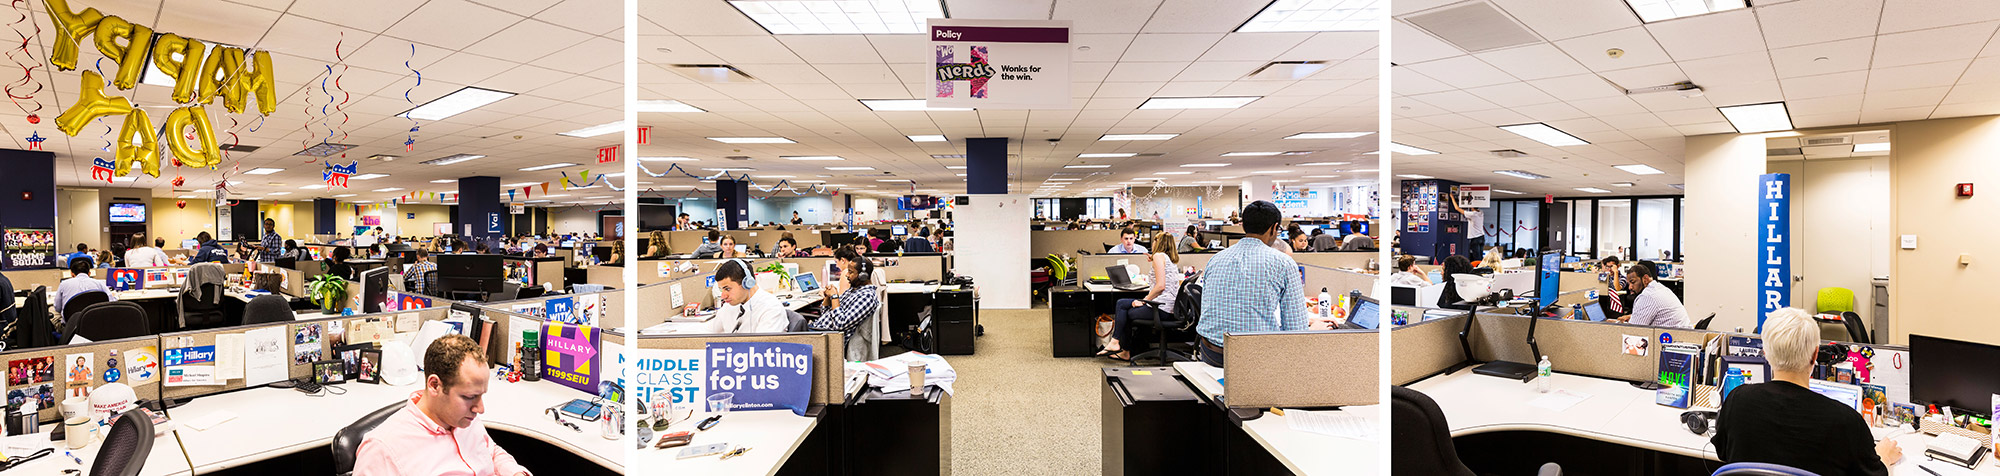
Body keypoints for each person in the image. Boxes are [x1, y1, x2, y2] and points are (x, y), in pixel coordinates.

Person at [1711, 307, 1899, 475]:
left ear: (1766, 354)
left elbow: (1724, 453)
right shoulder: (1845, 421)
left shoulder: (1738, 400)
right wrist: (1883, 457)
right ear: (1815, 354)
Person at [353, 334, 529, 476]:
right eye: (470, 396)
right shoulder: (382, 450)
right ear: (435, 385)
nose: (480, 409)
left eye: (481, 395)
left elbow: (490, 452)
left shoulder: (464, 417)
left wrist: (514, 473)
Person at [1193, 201, 1305, 367]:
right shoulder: (1284, 263)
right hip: (1253, 358)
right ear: (1274, 228)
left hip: (1211, 353)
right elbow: (1296, 330)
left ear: (1244, 225)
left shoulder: (1216, 258)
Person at [1098, 232, 1186, 362]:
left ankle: (1119, 345)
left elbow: (1160, 286)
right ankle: (1121, 347)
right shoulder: (1167, 258)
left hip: (1161, 308)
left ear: (1159, 242)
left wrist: (1145, 300)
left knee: (1122, 306)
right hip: (1170, 308)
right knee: (1123, 305)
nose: (1153, 242)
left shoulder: (1158, 256)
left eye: (1155, 239)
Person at [808, 248, 879, 338]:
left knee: (791, 320)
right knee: (792, 317)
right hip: (817, 329)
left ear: (863, 276)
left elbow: (840, 324)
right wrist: (828, 297)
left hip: (824, 337)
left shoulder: (867, 297)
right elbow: (825, 313)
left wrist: (834, 297)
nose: (846, 275)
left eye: (850, 272)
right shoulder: (854, 289)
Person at [712, 259, 788, 333]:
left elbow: (762, 344)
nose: (723, 296)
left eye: (727, 289)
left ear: (747, 284)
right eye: (721, 290)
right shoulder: (729, 306)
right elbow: (710, 332)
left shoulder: (771, 308)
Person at [1619, 260, 1690, 328]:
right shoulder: (1660, 288)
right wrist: (1633, 316)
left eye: (1633, 282)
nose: (1630, 287)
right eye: (1629, 283)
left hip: (1673, 337)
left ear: (1645, 279)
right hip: (1683, 333)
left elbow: (1634, 330)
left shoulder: (1647, 296)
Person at [1448, 194, 1486, 260]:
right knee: (1480, 256)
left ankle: (1477, 269)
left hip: (1475, 237)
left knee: (1475, 257)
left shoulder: (1472, 214)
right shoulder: (1481, 213)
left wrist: (1452, 198)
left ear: (1472, 207)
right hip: (1481, 237)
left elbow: (1457, 208)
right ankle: (1481, 268)